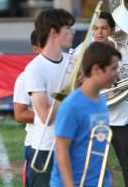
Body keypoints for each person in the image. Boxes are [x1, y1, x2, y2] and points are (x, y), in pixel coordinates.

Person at [51, 42, 122, 187]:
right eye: (113, 68)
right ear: (96, 69)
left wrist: (110, 178)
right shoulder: (71, 106)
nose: (117, 73)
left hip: (98, 181)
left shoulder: (101, 101)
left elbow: (101, 143)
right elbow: (61, 149)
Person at [91, 12, 128, 187]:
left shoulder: (127, 52)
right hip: (97, 120)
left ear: (112, 30)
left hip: (125, 120)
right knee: (97, 169)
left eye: (104, 28)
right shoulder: (85, 52)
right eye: (96, 28)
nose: (99, 33)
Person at [24, 9, 75, 186]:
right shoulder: (35, 68)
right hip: (47, 147)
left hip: (72, 143)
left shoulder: (72, 62)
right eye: (68, 28)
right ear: (53, 32)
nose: (73, 32)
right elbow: (46, 116)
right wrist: (69, 89)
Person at [13, 30, 42, 187]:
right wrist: (51, 116)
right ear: (35, 49)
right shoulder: (25, 77)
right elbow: (20, 114)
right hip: (36, 142)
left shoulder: (67, 70)